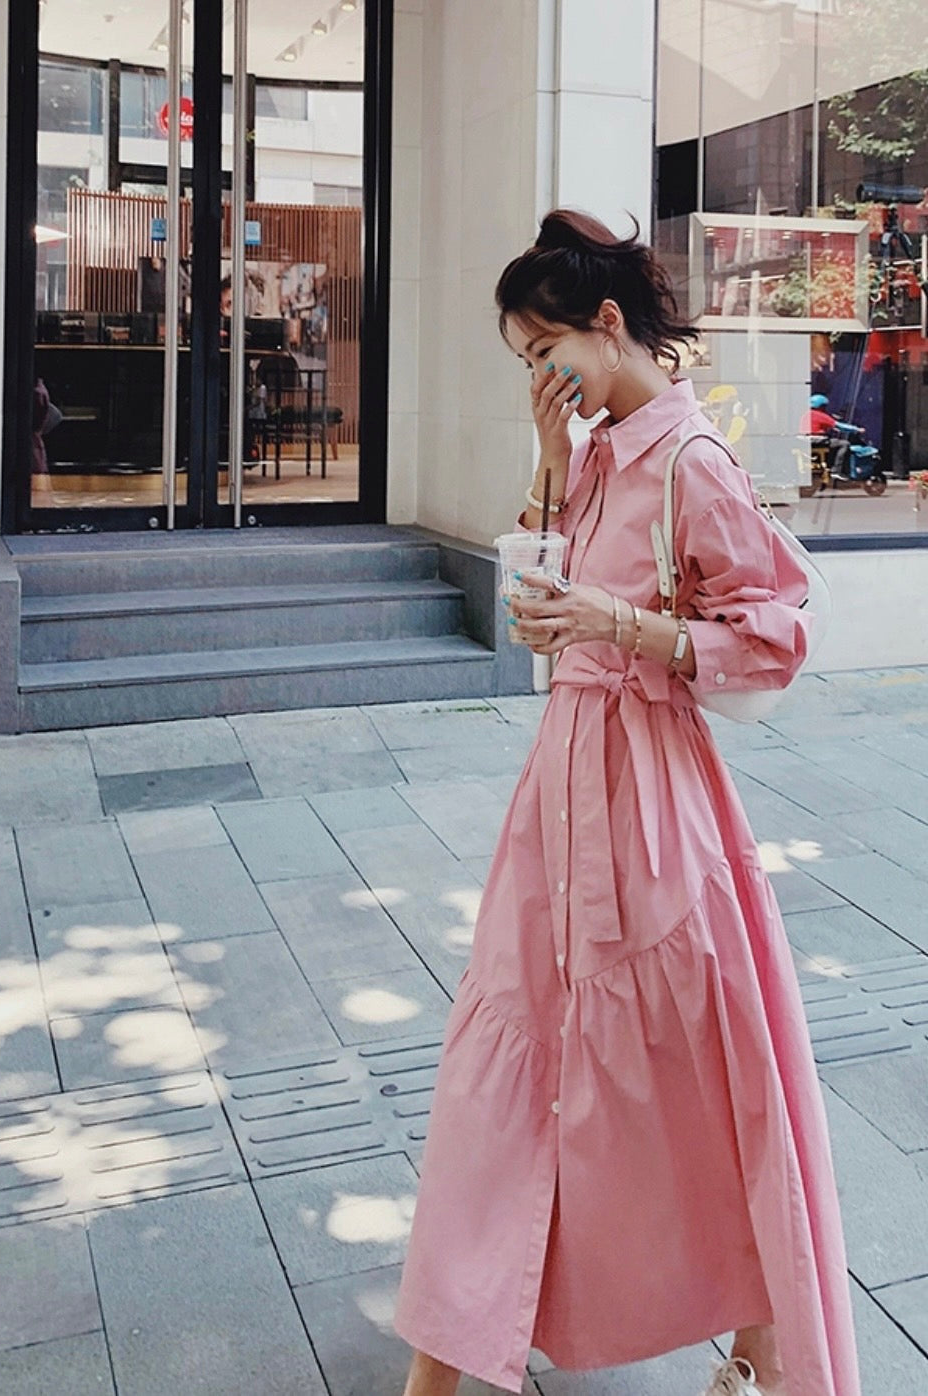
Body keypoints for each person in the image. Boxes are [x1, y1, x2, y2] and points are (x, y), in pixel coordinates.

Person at [393, 210, 861, 1396]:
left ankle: (759, 1344)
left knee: (694, 1073)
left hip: (651, 798)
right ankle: (452, 1345)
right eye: (522, 365)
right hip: (562, 783)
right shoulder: (596, 448)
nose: (539, 380)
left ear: (604, 326)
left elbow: (772, 638)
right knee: (509, 1052)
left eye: (542, 354)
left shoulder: (692, 460)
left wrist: (619, 628)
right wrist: (548, 469)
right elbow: (549, 601)